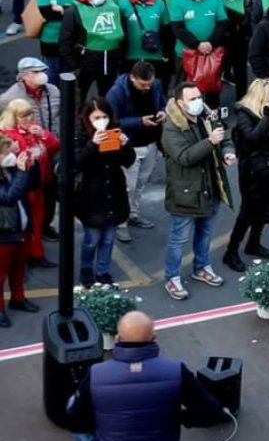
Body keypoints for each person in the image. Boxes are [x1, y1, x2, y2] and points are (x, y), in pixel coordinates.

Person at [67, 311, 226, 441]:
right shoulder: (176, 370)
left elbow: (75, 419)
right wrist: (181, 417)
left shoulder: (96, 373)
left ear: (117, 339)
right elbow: (210, 413)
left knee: (71, 405)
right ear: (153, 338)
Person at [160, 82, 235, 300]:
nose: (198, 102)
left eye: (198, 97)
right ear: (180, 103)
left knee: (205, 233)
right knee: (179, 238)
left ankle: (201, 267)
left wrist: (227, 152)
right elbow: (184, 157)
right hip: (186, 192)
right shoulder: (172, 128)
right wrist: (210, 142)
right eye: (192, 99)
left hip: (210, 187)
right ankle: (172, 277)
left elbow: (225, 137)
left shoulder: (207, 116)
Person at [224, 78, 269, 272]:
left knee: (264, 207)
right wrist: (268, 118)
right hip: (253, 171)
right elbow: (252, 138)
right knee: (247, 212)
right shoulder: (244, 114)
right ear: (262, 97)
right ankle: (231, 252)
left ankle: (253, 243)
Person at [75, 97, 135, 286]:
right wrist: (92, 144)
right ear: (88, 118)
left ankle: (102, 270)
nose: (101, 120)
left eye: (104, 116)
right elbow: (77, 163)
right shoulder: (81, 136)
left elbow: (128, 160)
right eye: (96, 117)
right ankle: (86, 268)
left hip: (113, 192)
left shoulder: (114, 133)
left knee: (109, 239)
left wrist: (125, 145)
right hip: (91, 196)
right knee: (92, 239)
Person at [105, 62, 165, 243]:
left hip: (151, 143)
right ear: (132, 77)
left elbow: (162, 103)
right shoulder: (116, 93)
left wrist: (162, 112)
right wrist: (139, 122)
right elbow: (111, 123)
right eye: (143, 84)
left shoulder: (155, 85)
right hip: (129, 147)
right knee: (127, 186)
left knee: (140, 183)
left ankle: (133, 214)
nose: (147, 87)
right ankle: (121, 223)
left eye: (149, 84)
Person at [0, 99, 60, 268]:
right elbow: (16, 160)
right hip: (22, 188)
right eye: (23, 116)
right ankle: (25, 258)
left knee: (37, 222)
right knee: (24, 225)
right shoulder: (8, 135)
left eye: (30, 114)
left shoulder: (34, 130)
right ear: (14, 117)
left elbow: (55, 146)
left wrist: (44, 135)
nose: (28, 119)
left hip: (38, 186)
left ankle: (35, 254)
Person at [0, 134, 34, 328]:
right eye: (5, 151)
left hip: (18, 228)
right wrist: (21, 172)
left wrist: (28, 165)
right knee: (1, 274)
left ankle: (18, 298)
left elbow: (31, 184)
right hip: (3, 233)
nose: (9, 154)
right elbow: (9, 196)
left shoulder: (8, 170)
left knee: (18, 266)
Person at [0, 58, 61, 139]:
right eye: (36, 72)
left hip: (54, 141)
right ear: (24, 75)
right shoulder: (11, 96)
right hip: (30, 145)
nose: (42, 74)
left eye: (43, 71)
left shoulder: (54, 90)